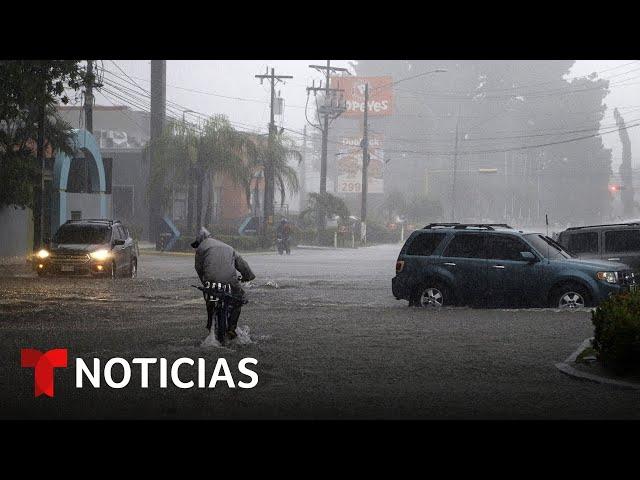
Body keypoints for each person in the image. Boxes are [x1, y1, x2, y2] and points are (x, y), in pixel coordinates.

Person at [191, 227, 255, 339]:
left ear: (200, 240)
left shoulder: (201, 248)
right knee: (238, 299)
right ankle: (232, 328)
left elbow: (199, 268)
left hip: (211, 281)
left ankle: (210, 323)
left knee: (210, 299)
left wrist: (205, 282)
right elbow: (242, 264)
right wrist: (248, 276)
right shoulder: (228, 247)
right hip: (231, 280)